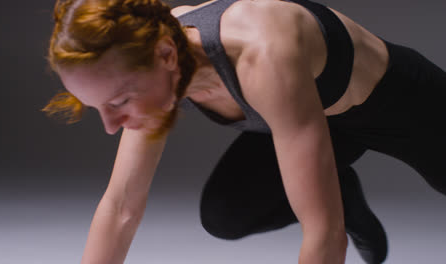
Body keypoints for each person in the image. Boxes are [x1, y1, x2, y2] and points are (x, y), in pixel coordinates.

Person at [42, 0, 446, 263]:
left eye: (118, 102)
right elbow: (121, 207)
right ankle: (346, 195)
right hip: (308, 120)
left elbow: (325, 234)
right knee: (226, 214)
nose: (112, 127)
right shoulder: (152, 61)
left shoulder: (262, 54)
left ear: (166, 54)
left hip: (400, 104)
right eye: (96, 108)